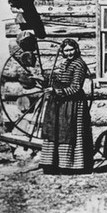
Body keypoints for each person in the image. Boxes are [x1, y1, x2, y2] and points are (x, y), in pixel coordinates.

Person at [39, 39, 93, 175]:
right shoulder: (65, 64)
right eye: (66, 50)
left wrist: (57, 91)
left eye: (71, 50)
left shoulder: (79, 64)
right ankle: (54, 164)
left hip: (73, 104)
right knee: (58, 131)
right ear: (62, 51)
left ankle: (72, 165)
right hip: (60, 103)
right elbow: (60, 80)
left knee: (72, 132)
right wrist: (44, 80)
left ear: (76, 49)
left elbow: (75, 87)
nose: (69, 53)